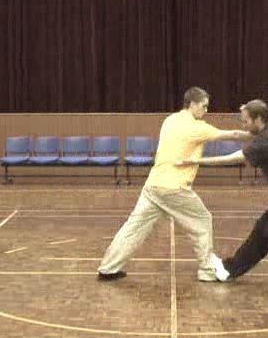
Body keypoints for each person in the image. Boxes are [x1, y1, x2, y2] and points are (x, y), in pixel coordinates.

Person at [98, 87, 252, 282]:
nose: (206, 111)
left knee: (133, 228)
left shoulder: (169, 120)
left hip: (152, 186)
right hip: (174, 188)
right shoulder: (198, 128)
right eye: (204, 106)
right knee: (202, 220)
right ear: (193, 104)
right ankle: (207, 270)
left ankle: (108, 268)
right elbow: (236, 135)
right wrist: (258, 132)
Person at [177, 99, 268, 285]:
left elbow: (232, 159)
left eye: (245, 121)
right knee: (262, 228)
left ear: (258, 119)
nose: (243, 125)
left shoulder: (264, 142)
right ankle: (230, 269)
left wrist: (195, 161)